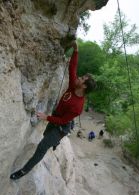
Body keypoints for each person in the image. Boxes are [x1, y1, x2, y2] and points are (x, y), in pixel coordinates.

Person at [10, 41, 97, 180]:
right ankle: (55, 142)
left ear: (84, 86)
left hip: (61, 127)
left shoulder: (78, 107)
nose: (79, 78)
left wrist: (46, 117)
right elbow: (72, 68)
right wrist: (76, 51)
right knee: (45, 135)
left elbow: (63, 120)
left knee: (42, 147)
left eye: (82, 78)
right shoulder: (73, 87)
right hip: (56, 118)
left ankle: (23, 171)